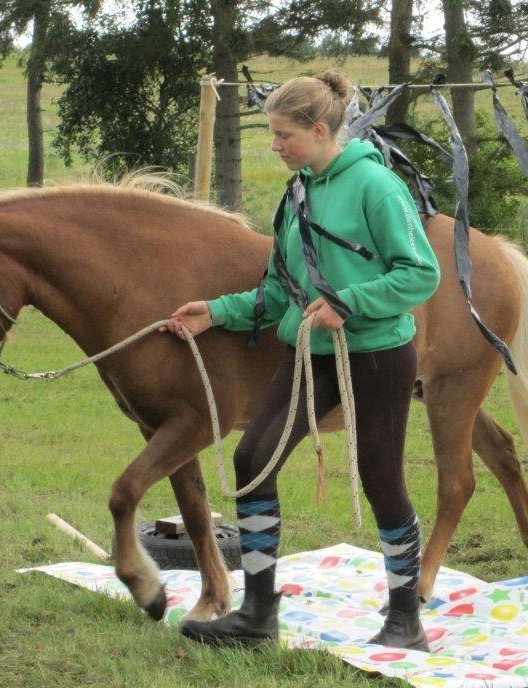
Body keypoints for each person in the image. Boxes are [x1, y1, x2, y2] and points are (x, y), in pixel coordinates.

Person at [163, 70, 441, 650]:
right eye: (271, 133)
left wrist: (350, 301)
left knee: (381, 477)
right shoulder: (296, 194)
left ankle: (404, 621)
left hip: (380, 354)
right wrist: (215, 312)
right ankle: (258, 616)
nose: (274, 145)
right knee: (253, 458)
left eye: (282, 134)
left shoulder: (376, 187)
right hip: (309, 351)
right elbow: (279, 289)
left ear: (318, 130)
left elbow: (421, 273)